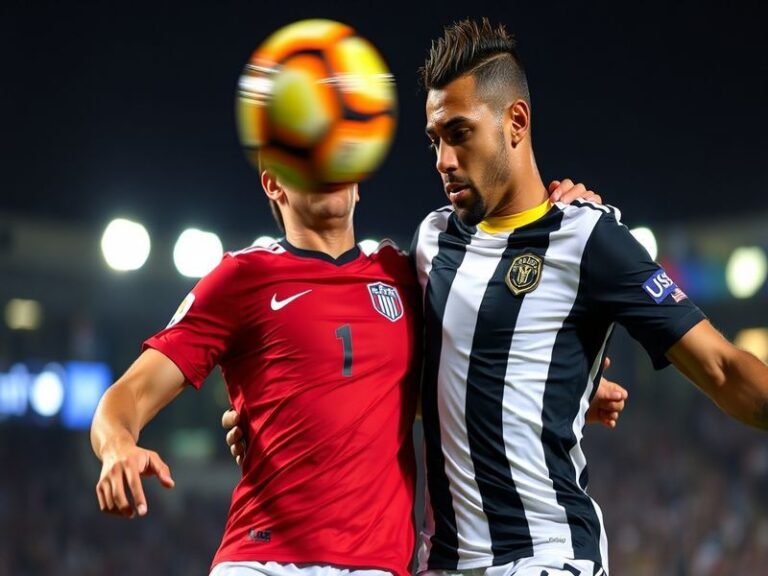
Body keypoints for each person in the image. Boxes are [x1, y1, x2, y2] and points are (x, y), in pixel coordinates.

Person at [91, 150, 624, 576]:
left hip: (379, 564)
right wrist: (118, 447)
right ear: (274, 181)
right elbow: (129, 394)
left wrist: (546, 396)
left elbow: (428, 391)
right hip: (262, 560)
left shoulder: (405, 274)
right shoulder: (240, 278)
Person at [408, 17, 768, 576]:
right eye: (435, 141)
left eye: (458, 134)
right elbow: (403, 375)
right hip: (441, 563)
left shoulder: (588, 238)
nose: (443, 161)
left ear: (516, 123)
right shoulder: (432, 241)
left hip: (546, 559)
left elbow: (722, 368)